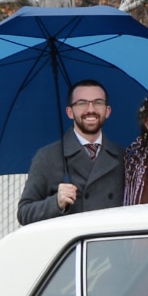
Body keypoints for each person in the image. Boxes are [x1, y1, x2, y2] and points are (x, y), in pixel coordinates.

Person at [18, 79, 127, 224]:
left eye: (98, 102)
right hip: (72, 245)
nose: (90, 109)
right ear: (70, 112)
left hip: (108, 244)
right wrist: (56, 203)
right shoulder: (47, 157)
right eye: (82, 103)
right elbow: (24, 214)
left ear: (107, 111)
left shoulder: (123, 157)